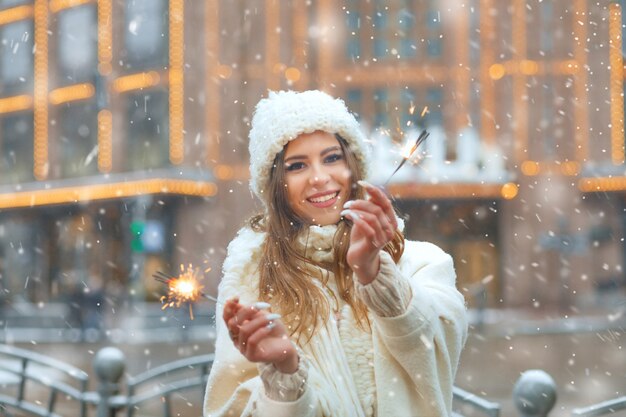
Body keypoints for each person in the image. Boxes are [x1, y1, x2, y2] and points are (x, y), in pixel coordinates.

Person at [203, 90, 468, 417]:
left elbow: (434, 352)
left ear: (353, 164)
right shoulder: (250, 280)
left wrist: (374, 274)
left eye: (331, 158)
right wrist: (284, 373)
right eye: (297, 165)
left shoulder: (422, 262)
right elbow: (231, 407)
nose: (319, 178)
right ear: (276, 184)